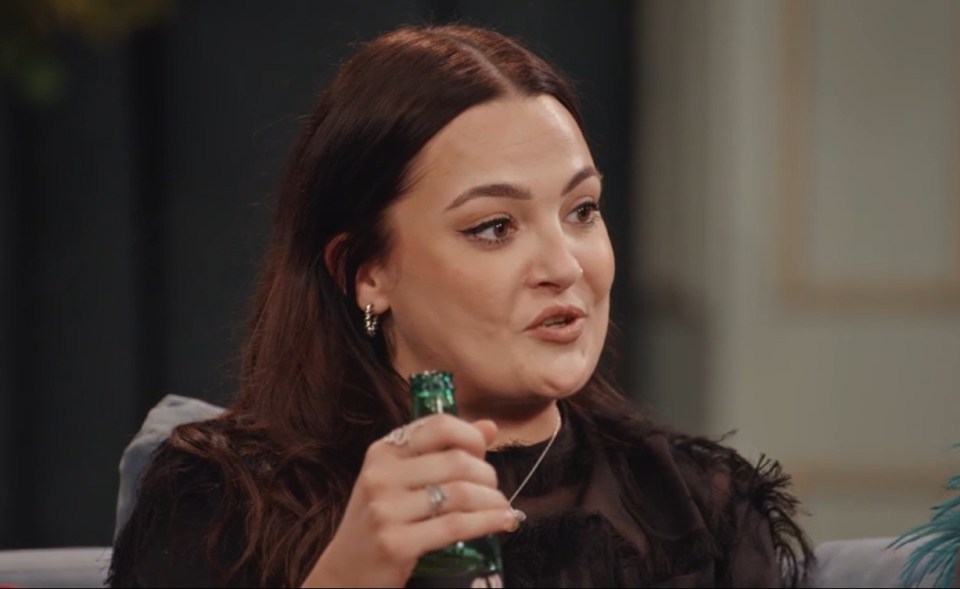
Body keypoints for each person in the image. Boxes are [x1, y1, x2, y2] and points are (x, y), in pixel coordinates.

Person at [108, 23, 814, 588]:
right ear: (365, 272)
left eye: (582, 210)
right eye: (494, 227)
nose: (565, 267)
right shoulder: (219, 500)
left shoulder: (700, 505)